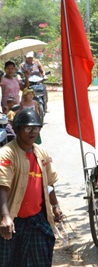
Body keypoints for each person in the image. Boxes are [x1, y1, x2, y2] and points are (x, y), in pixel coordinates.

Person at [0, 109, 63, 266]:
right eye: (28, 128)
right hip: (13, 222)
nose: (33, 131)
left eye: (36, 127)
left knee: (41, 260)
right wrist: (5, 217)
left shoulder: (41, 152)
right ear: (17, 129)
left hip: (37, 220)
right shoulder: (7, 154)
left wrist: (55, 206)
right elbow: (2, 186)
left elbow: (49, 182)